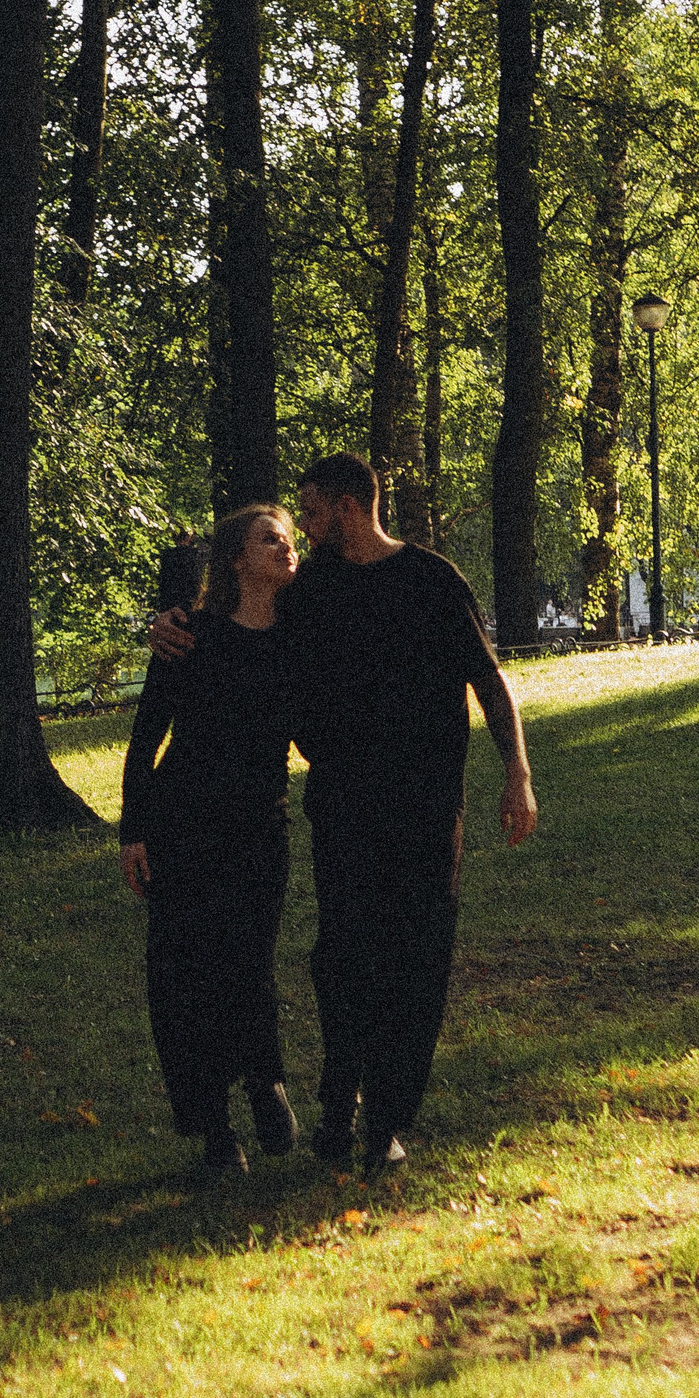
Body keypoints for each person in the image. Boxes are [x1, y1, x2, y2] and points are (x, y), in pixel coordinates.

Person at [151, 452, 536, 1175]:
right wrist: (168, 624)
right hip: (342, 810)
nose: (306, 526)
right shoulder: (311, 590)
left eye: (314, 509)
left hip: (426, 810)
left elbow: (489, 678)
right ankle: (340, 1104)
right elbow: (239, 619)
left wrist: (516, 771)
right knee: (343, 960)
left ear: (349, 508)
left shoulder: (430, 580)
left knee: (416, 961)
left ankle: (388, 1121)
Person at [120, 506, 302, 1175]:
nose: (286, 546)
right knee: (185, 978)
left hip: (260, 826)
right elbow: (146, 740)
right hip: (183, 825)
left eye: (290, 537)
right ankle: (216, 1132)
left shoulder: (302, 637)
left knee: (247, 964)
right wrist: (134, 831)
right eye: (269, 538)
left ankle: (264, 1082)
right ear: (235, 559)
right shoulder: (189, 635)